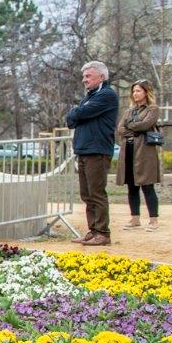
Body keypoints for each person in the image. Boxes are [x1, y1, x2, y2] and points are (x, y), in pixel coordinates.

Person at [65, 60, 119, 246]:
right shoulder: (88, 97)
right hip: (84, 150)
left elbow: (78, 114)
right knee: (87, 194)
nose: (84, 80)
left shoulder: (107, 95)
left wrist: (77, 112)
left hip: (97, 150)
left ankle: (103, 233)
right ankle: (93, 230)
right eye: (84, 76)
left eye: (88, 76)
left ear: (101, 77)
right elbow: (71, 120)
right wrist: (77, 112)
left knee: (96, 193)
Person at [115, 79, 162, 231]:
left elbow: (145, 125)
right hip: (128, 151)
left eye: (138, 91)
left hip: (145, 152)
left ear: (146, 92)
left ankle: (153, 221)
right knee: (132, 186)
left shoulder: (152, 109)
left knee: (147, 186)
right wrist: (134, 129)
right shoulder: (129, 111)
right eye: (133, 91)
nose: (135, 93)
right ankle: (135, 218)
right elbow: (120, 129)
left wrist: (130, 126)